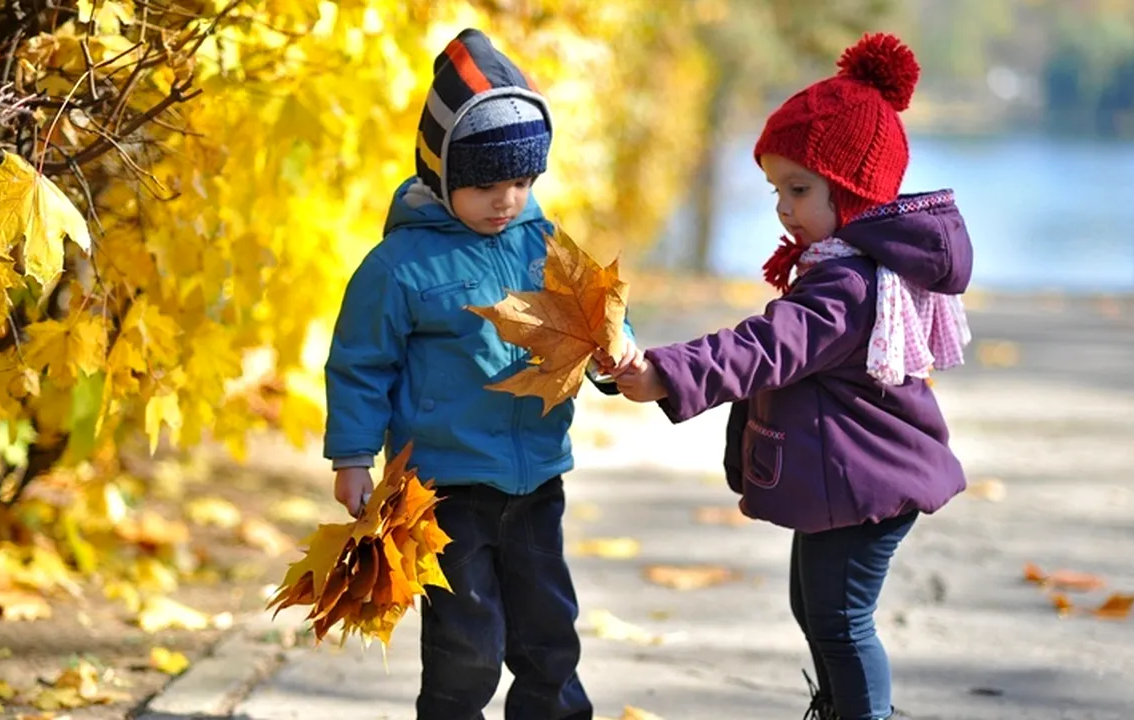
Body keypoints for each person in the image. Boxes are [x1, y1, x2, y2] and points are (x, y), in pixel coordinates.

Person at [607, 33, 973, 720]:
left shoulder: (849, 288)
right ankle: (842, 708)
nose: (782, 207)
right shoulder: (838, 265)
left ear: (854, 193)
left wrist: (667, 372)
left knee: (840, 620)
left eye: (798, 189)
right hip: (854, 479)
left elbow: (769, 346)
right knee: (815, 608)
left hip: (871, 485)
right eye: (777, 189)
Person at [324, 28, 635, 720]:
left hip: (537, 478)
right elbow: (359, 365)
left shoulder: (543, 242)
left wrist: (618, 354)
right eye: (486, 184)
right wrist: (352, 457)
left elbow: (599, 315)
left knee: (548, 630)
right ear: (440, 173)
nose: (507, 200)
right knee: (468, 643)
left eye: (523, 181)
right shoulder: (400, 266)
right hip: (448, 486)